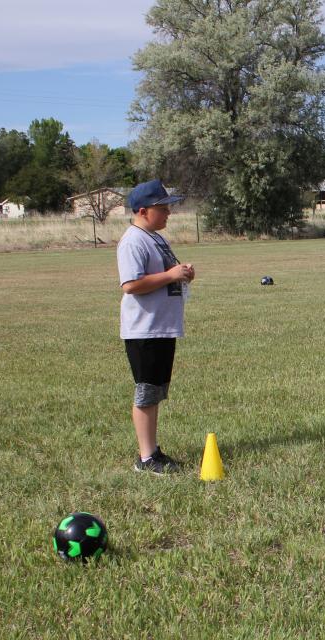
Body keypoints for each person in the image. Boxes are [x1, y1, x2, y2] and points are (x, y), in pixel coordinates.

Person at [117, 179, 194, 474]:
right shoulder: (133, 241)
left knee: (156, 392)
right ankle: (146, 458)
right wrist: (171, 275)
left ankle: (153, 451)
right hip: (144, 330)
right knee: (146, 392)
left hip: (162, 327)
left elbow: (164, 273)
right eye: (162, 208)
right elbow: (131, 284)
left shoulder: (155, 238)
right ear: (143, 211)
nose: (168, 213)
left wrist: (182, 274)